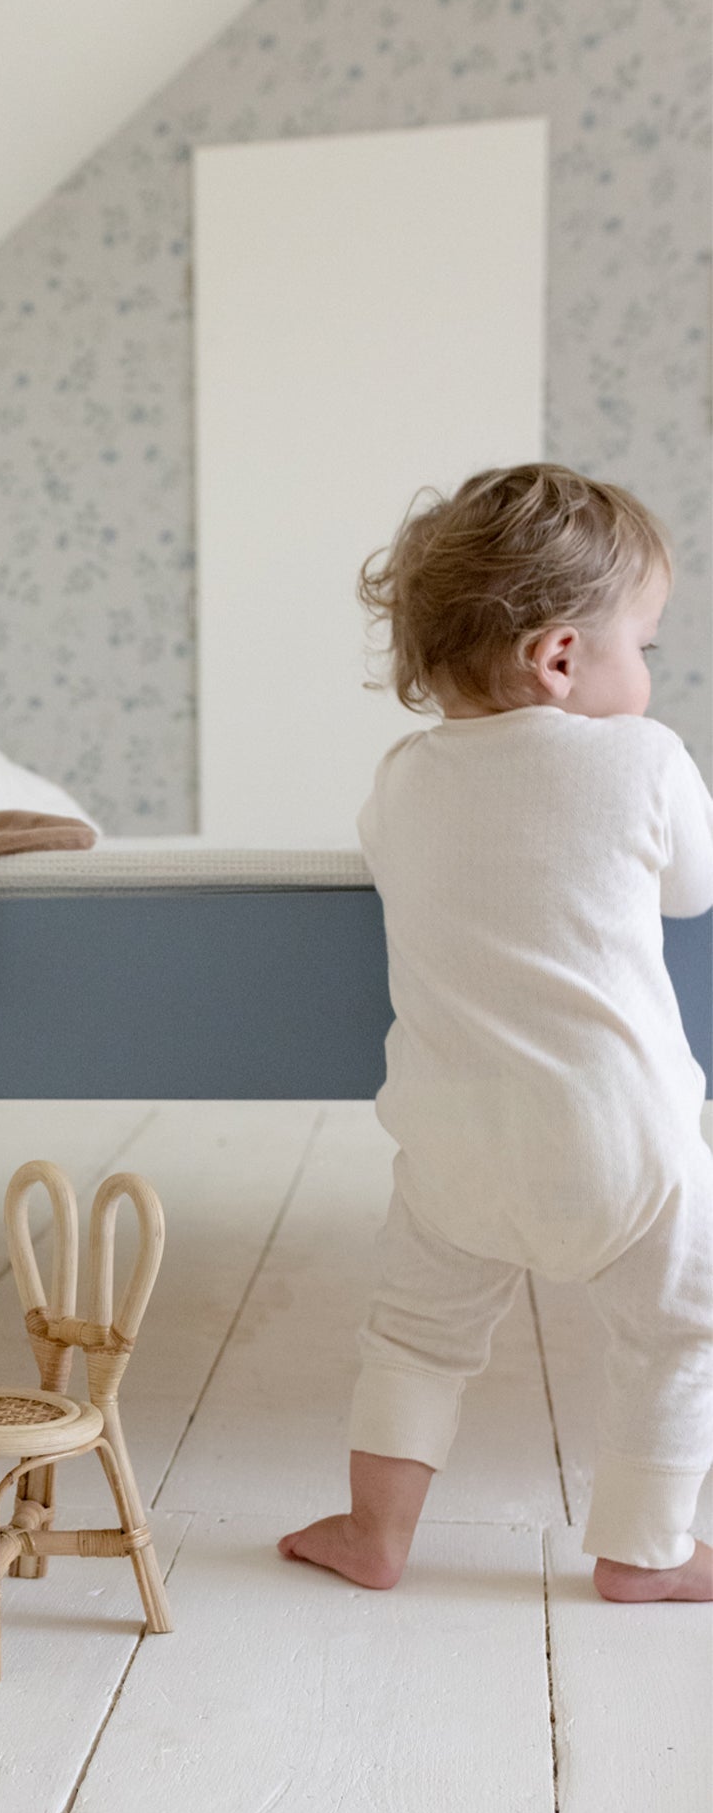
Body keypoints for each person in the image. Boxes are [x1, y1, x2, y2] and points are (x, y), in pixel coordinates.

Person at [280, 463, 713, 1602]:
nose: (649, 672)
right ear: (561, 656)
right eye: (645, 646)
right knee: (679, 1335)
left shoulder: (402, 779)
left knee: (416, 1337)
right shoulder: (644, 759)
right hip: (621, 1143)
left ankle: (375, 1534)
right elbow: (693, 891)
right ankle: (646, 1551)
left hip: (451, 1147)